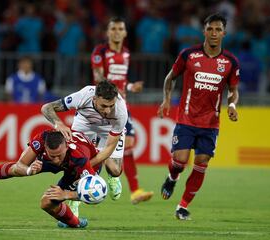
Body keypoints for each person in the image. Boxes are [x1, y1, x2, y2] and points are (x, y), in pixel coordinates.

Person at [157, 13, 239, 220]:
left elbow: (233, 89)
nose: (214, 33)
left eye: (218, 29)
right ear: (204, 31)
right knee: (180, 161)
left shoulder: (230, 62)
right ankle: (172, 177)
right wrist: (166, 99)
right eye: (210, 29)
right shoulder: (188, 55)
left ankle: (182, 206)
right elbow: (170, 77)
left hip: (211, 123)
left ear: (224, 33)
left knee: (202, 163)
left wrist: (232, 104)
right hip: (186, 118)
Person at [0, 130, 100, 228]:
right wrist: (29, 170)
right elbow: (21, 165)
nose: (55, 160)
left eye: (59, 155)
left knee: (46, 203)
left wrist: (67, 195)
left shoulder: (80, 158)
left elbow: (96, 193)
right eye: (51, 155)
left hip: (75, 169)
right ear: (46, 148)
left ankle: (75, 223)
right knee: (16, 170)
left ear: (66, 147)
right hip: (59, 161)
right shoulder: (43, 139)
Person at [91, 17, 153, 204]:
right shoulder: (100, 51)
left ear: (125, 32)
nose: (117, 32)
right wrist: (110, 91)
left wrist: (132, 86)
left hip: (123, 105)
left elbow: (122, 81)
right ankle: (100, 181)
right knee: (101, 145)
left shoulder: (126, 53)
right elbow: (98, 76)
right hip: (106, 106)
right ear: (108, 32)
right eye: (113, 28)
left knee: (130, 143)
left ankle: (134, 190)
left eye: (120, 28)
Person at [41, 80, 128, 215]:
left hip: (108, 128)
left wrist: (86, 164)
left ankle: (113, 177)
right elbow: (46, 108)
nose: (108, 110)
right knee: (76, 160)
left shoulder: (121, 112)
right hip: (85, 123)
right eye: (104, 105)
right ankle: (74, 202)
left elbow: (109, 147)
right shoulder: (83, 95)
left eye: (111, 106)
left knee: (115, 170)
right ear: (94, 98)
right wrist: (59, 124)